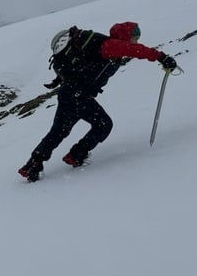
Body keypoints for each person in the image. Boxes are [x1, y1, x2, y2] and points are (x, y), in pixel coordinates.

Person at [18, 22, 177, 182]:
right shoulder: (111, 45)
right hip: (78, 96)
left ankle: (34, 164)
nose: (136, 41)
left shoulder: (105, 46)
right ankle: (76, 155)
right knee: (103, 125)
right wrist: (161, 57)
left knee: (59, 131)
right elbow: (136, 50)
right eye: (135, 37)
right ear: (127, 36)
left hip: (70, 94)